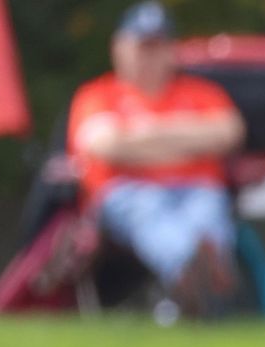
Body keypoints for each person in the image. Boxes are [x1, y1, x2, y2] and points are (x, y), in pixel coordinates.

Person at [67, 3, 245, 314]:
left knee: (206, 210)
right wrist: (189, 141)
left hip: (198, 188)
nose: (149, 56)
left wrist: (142, 138)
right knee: (147, 209)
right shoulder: (97, 95)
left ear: (172, 50)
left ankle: (199, 274)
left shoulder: (203, 92)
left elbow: (228, 134)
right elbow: (106, 145)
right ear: (119, 48)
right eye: (141, 46)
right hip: (126, 192)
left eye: (158, 46)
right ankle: (191, 271)